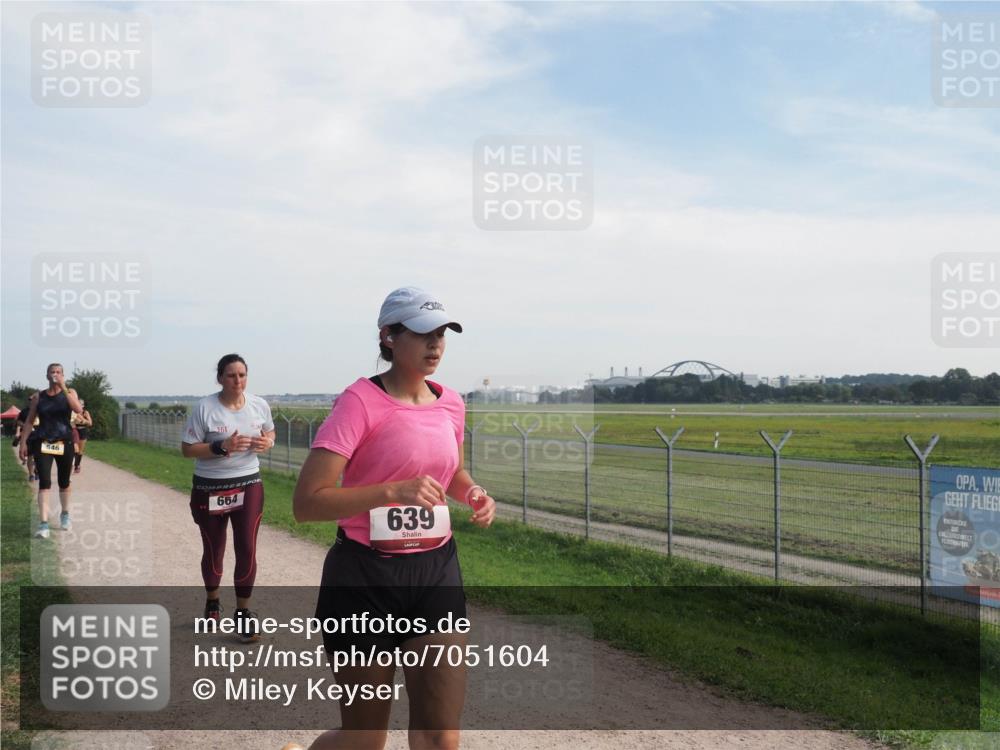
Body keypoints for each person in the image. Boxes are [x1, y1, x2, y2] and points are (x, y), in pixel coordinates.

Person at [292, 287, 496, 750]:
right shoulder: (359, 402)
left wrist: (473, 493)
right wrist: (390, 492)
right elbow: (307, 503)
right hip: (365, 577)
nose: (436, 344)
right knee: (364, 741)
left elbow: (451, 472)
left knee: (440, 737)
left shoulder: (452, 402)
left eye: (442, 333)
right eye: (423, 333)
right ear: (388, 336)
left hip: (435, 571)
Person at [181, 354, 276, 642]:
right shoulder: (205, 408)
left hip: (248, 484)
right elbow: (187, 449)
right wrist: (221, 446)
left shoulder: (259, 405)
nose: (238, 381)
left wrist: (267, 442)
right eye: (231, 375)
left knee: (246, 546)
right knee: (214, 548)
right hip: (210, 488)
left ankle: (243, 613)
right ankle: (212, 603)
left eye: (242, 375)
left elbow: (270, 431)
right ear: (220, 378)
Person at [18, 364, 83, 538]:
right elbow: (30, 421)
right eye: (52, 372)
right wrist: (23, 443)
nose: (55, 375)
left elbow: (78, 410)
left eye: (58, 372)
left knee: (64, 481)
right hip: (43, 442)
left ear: (63, 375)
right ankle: (44, 524)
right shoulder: (39, 397)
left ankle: (65, 514)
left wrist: (63, 387)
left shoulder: (70, 393)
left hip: (64, 442)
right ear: (46, 375)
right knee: (44, 482)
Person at [71, 399, 94, 474]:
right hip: (75, 431)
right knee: (75, 449)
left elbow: (90, 423)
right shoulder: (73, 412)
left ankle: (77, 465)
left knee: (80, 451)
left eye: (80, 404)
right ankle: (72, 465)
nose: (78, 404)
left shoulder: (85, 412)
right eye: (77, 403)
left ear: (83, 405)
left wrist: (83, 420)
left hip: (83, 431)